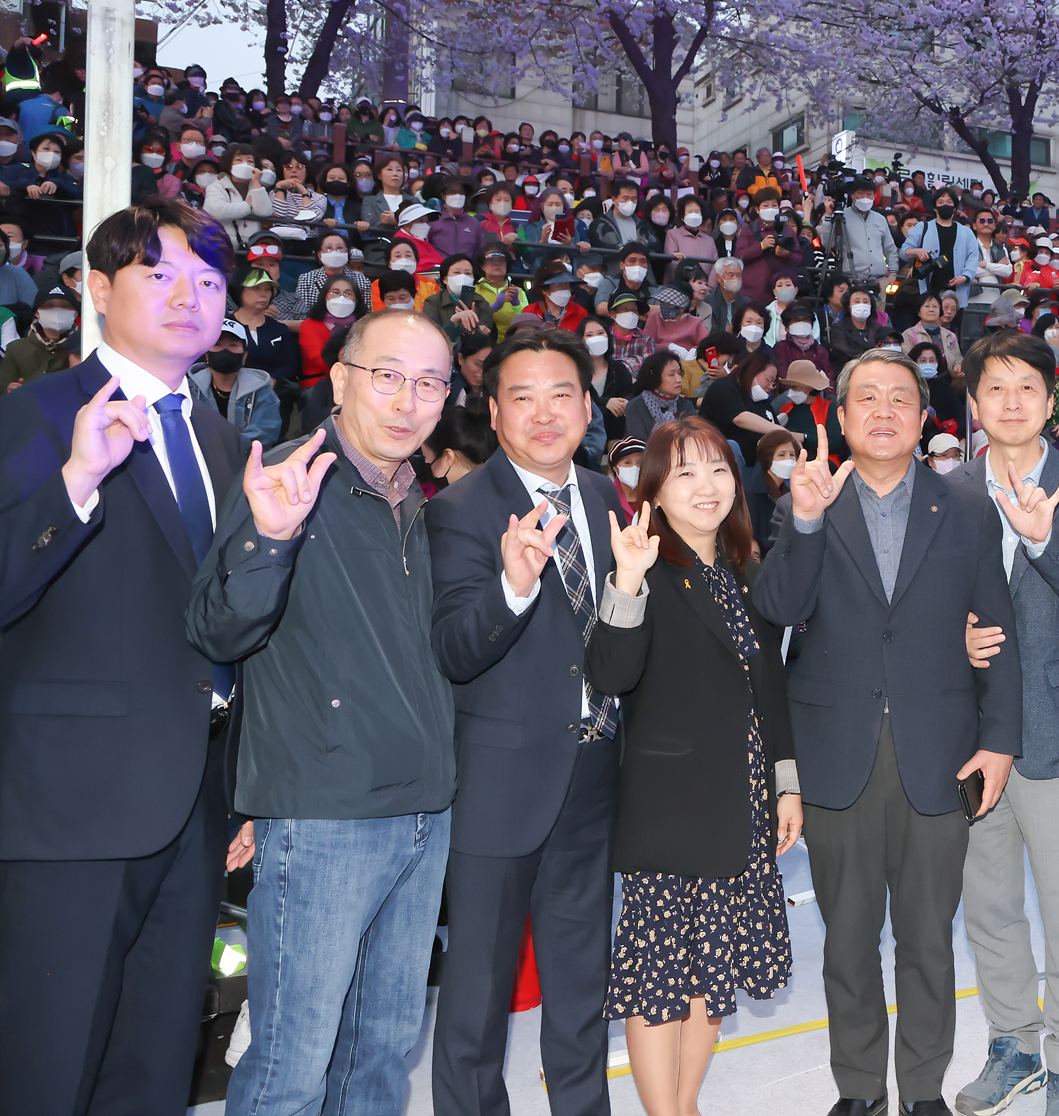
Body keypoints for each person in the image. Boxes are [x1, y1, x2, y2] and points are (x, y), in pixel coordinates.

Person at [0, 201, 250, 1115]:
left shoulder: (225, 440)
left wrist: (246, 783)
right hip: (70, 810)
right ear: (97, 290)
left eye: (211, 282)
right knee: (46, 1063)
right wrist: (75, 485)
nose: (192, 298)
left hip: (197, 806)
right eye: (161, 275)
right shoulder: (31, 416)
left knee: (151, 1069)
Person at [187, 308, 459, 1116]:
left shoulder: (423, 503)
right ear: (339, 378)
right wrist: (269, 541)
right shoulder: (282, 477)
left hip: (424, 813)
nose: (408, 400)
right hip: (322, 820)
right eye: (388, 376)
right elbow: (214, 627)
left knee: (379, 1054)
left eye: (430, 383)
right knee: (291, 1065)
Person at [752, 349, 1022, 1116]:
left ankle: (925, 1091)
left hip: (939, 753)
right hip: (837, 756)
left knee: (930, 944)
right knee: (847, 945)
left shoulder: (966, 506)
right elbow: (777, 605)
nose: (882, 410)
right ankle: (861, 1091)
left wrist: (999, 738)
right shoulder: (807, 501)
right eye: (864, 398)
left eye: (899, 398)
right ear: (838, 419)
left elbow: (994, 622)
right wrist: (803, 520)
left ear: (922, 418)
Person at [427, 325, 624, 1116]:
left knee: (582, 991)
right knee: (475, 997)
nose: (545, 414)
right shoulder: (461, 510)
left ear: (587, 405)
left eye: (561, 395)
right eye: (523, 397)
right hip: (498, 787)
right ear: (494, 411)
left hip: (595, 779)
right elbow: (453, 649)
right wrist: (511, 590)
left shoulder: (611, 499)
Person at [590, 418, 802, 1116]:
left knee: (711, 975)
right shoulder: (647, 565)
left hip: (741, 808)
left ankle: (685, 1106)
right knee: (660, 980)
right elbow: (611, 672)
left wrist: (785, 781)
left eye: (717, 469)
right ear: (654, 489)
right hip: (672, 812)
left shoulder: (746, 567)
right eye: (684, 472)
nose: (706, 486)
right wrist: (626, 579)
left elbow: (769, 687)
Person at [953, 330, 1059, 1116]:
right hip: (968, 734)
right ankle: (1013, 1042)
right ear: (975, 402)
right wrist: (949, 634)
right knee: (987, 907)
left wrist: (1046, 541)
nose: (1011, 402)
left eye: (1028, 388)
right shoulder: (946, 490)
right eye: (995, 388)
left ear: (1052, 402)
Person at [190, 318, 284, 450]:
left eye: (233, 345)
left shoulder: (262, 391)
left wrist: (230, 446)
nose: (225, 351)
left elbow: (265, 431)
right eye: (217, 344)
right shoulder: (189, 389)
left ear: (244, 356)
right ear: (206, 354)